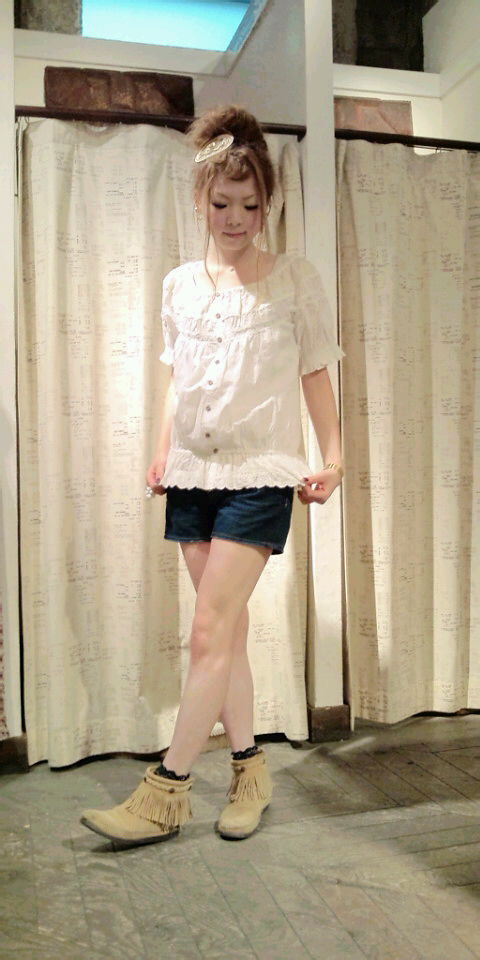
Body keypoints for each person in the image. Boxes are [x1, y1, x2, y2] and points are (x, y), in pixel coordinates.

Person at [80, 104, 345, 847]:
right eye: (223, 203)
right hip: (193, 473)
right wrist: (162, 449)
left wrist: (335, 459)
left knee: (207, 630)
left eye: (251, 206)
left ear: (268, 204)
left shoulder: (293, 279)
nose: (236, 219)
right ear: (201, 199)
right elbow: (178, 378)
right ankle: (250, 771)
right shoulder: (179, 286)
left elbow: (315, 373)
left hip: (261, 473)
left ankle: (166, 792)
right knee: (223, 632)